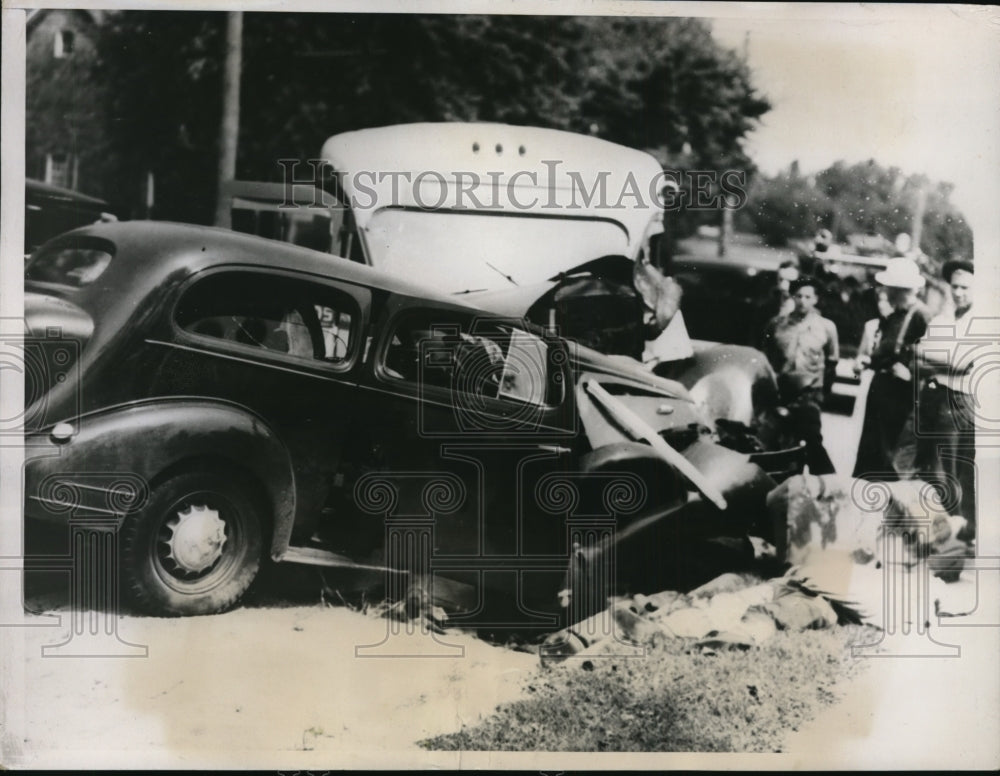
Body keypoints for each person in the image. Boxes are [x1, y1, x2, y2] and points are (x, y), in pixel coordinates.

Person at [914, 259, 977, 541]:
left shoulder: (980, 322)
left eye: (965, 287)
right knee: (932, 465)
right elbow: (916, 357)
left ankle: (960, 531)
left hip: (961, 399)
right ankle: (944, 528)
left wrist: (931, 357)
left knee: (956, 469)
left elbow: (964, 364)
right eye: (955, 286)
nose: (959, 292)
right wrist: (941, 361)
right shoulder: (940, 321)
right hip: (934, 395)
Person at [852, 258, 930, 480]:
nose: (886, 293)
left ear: (901, 290)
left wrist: (910, 374)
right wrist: (869, 361)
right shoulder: (894, 316)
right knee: (870, 447)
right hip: (880, 388)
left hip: (901, 394)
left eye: (891, 289)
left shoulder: (922, 316)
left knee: (890, 451)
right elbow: (883, 350)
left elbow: (933, 357)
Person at [761, 275, 839, 475]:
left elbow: (831, 362)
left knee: (811, 438)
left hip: (809, 392)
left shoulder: (827, 327)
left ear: (815, 299)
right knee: (777, 440)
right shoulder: (776, 325)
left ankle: (826, 481)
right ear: (791, 297)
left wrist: (823, 393)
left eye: (807, 297)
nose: (802, 301)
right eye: (798, 296)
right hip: (782, 390)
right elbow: (766, 357)